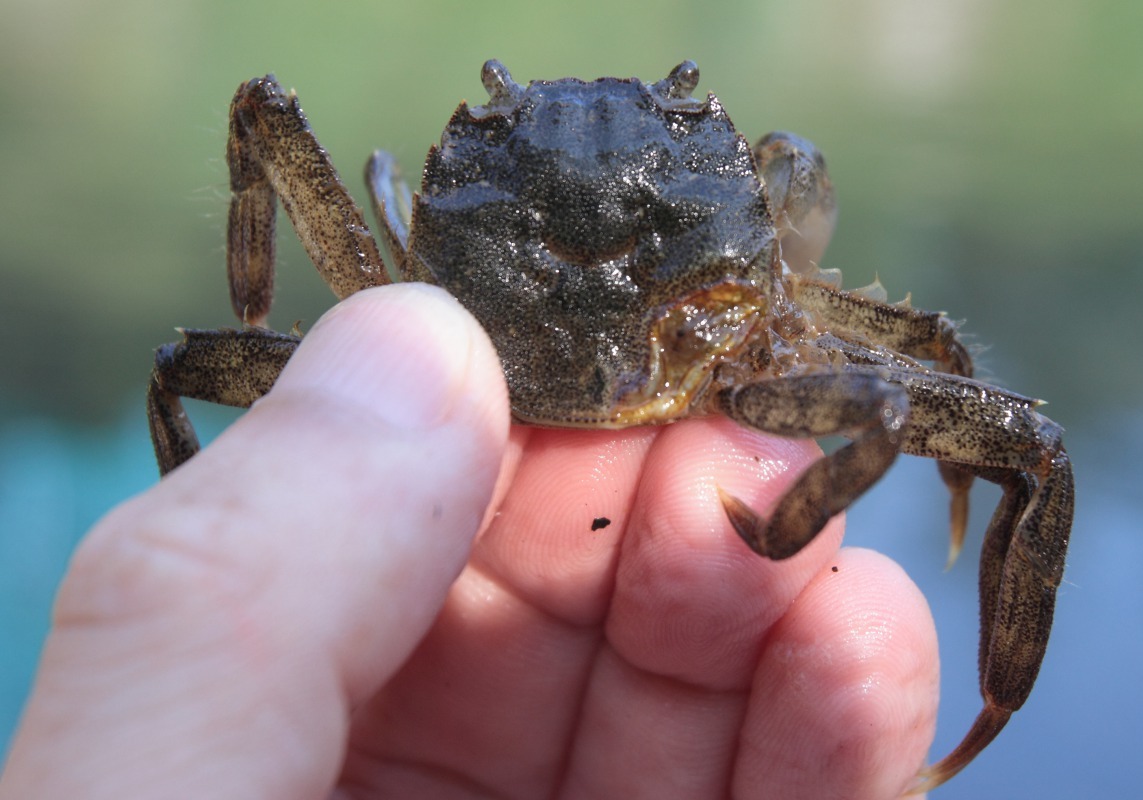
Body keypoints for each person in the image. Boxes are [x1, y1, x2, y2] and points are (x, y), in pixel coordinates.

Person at [0, 284, 938, 799]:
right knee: (965, 429)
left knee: (185, 366)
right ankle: (814, 553)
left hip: (463, 364)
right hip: (718, 384)